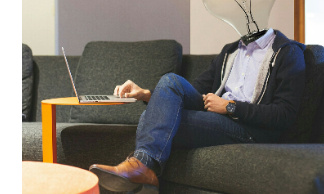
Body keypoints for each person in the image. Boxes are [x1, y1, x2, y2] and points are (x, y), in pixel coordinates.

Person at [89, 28, 306, 194]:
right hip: (217, 118)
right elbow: (189, 91)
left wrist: (229, 107)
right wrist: (145, 94)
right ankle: (144, 169)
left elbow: (284, 115)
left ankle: (143, 169)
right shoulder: (230, 51)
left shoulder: (287, 52)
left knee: (153, 118)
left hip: (250, 128)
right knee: (170, 83)